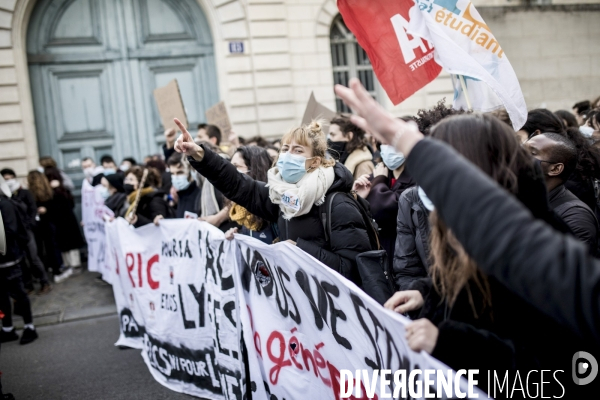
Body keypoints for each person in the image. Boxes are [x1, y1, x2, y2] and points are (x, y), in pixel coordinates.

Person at [336, 79, 600, 396]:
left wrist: (448, 343)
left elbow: (550, 376)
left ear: (472, 169)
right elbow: (467, 293)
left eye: (445, 164)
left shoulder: (536, 240)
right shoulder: (457, 223)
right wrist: (427, 293)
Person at [176, 118, 371, 284]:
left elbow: (354, 270)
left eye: (297, 150)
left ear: (315, 162)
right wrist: (199, 154)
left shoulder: (339, 204)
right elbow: (238, 184)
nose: (287, 155)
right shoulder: (281, 197)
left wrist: (301, 250)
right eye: (285, 149)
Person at [524, 133, 599, 251]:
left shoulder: (575, 217)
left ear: (555, 169)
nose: (518, 155)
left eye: (532, 153)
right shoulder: (519, 195)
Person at [353, 143, 415, 262]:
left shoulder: (416, 178)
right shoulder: (377, 174)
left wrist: (379, 180)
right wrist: (356, 197)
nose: (388, 147)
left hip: (402, 255)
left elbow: (386, 209)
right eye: (384, 142)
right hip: (376, 251)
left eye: (392, 142)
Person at [0, 169, 51, 294]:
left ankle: (44, 282)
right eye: (5, 179)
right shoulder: (5, 196)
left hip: (25, 231)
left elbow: (32, 210)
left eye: (9, 178)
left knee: (33, 257)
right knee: (21, 260)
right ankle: (28, 284)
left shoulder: (24, 193)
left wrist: (28, 225)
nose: (8, 181)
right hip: (14, 233)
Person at [0, 186, 38, 345]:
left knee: (19, 294)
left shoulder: (5, 205)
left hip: (9, 257)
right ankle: (8, 328)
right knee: (2, 297)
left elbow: (11, 231)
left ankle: (29, 327)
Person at [224, 146, 278, 244]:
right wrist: (238, 234)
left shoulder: (273, 203)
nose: (231, 171)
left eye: (236, 166)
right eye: (230, 166)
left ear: (254, 170)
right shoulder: (239, 208)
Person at [27, 171, 67, 282]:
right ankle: (56, 269)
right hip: (48, 222)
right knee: (51, 246)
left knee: (40, 248)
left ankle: (44, 272)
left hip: (39, 223)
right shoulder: (49, 191)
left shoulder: (29, 193)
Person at [45, 168, 84, 272]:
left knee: (68, 242)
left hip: (64, 220)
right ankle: (71, 263)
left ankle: (73, 264)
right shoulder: (62, 190)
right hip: (66, 219)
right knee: (67, 242)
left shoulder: (59, 191)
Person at [167, 153, 202, 218]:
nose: (176, 177)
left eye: (180, 172)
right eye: (172, 173)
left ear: (192, 171)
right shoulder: (180, 194)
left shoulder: (200, 195)